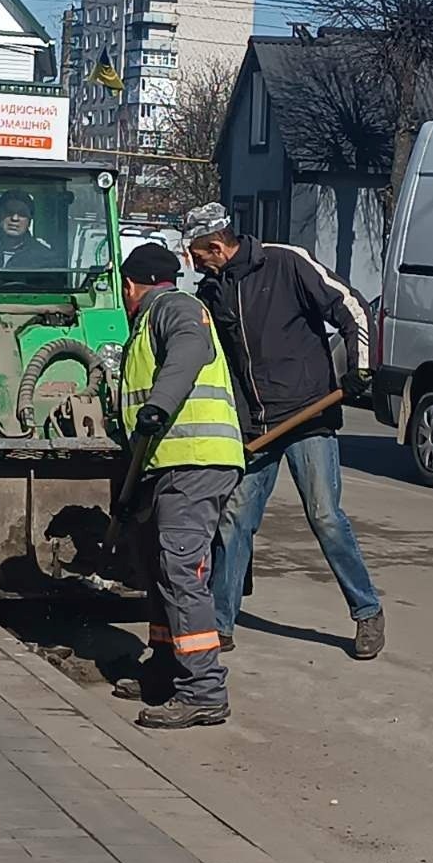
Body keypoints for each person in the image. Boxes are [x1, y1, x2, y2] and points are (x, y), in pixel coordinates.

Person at [182, 202, 385, 661]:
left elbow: (350, 308)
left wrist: (360, 369)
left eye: (196, 253)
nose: (192, 262)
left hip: (308, 413)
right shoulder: (213, 291)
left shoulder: (286, 262)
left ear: (216, 245)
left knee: (326, 517)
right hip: (257, 424)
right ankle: (220, 623)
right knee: (235, 520)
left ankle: (367, 610)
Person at [116, 242, 245, 729]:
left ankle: (204, 691)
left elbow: (191, 350)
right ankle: (167, 669)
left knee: (180, 570)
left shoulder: (176, 309)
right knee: (157, 565)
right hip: (169, 464)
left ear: (131, 285)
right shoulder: (149, 324)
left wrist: (160, 404)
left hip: (196, 461)